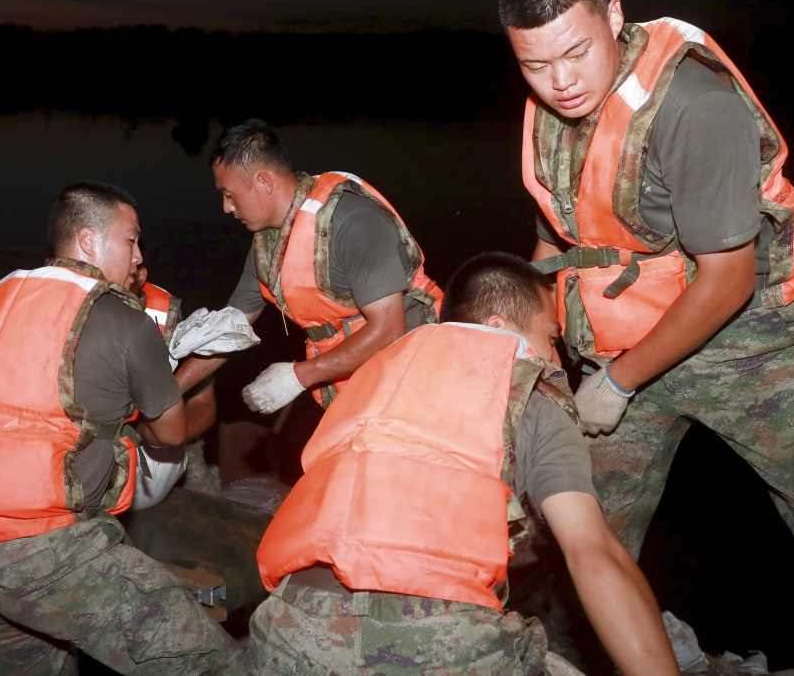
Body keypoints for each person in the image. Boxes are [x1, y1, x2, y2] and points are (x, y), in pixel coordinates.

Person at [499, 0, 794, 559]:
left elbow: (728, 280)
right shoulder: (555, 110)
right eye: (535, 65)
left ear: (613, 17)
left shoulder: (696, 107)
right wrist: (523, 346)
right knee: (585, 530)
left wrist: (617, 382)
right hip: (621, 337)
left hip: (747, 344)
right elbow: (558, 239)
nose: (561, 82)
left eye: (576, 53)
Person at [249, 252, 679, 676]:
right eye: (551, 339)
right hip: (434, 635)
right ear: (498, 327)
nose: (556, 358)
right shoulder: (527, 391)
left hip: (289, 629)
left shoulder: (373, 379)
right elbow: (594, 554)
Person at [0, 182, 244, 675]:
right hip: (48, 559)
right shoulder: (126, 319)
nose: (139, 255)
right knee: (212, 665)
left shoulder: (2, 294)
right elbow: (170, 433)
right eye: (131, 240)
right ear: (88, 241)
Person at [175, 118, 444, 414]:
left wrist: (298, 376)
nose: (226, 207)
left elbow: (389, 330)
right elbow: (231, 331)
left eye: (229, 194)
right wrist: (166, 392)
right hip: (356, 391)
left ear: (264, 182)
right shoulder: (267, 246)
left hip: (416, 377)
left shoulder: (352, 223)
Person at [130, 264, 220, 499]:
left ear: (141, 274)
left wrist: (169, 434)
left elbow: (204, 406)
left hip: (157, 440)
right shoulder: (76, 311)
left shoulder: (168, 324)